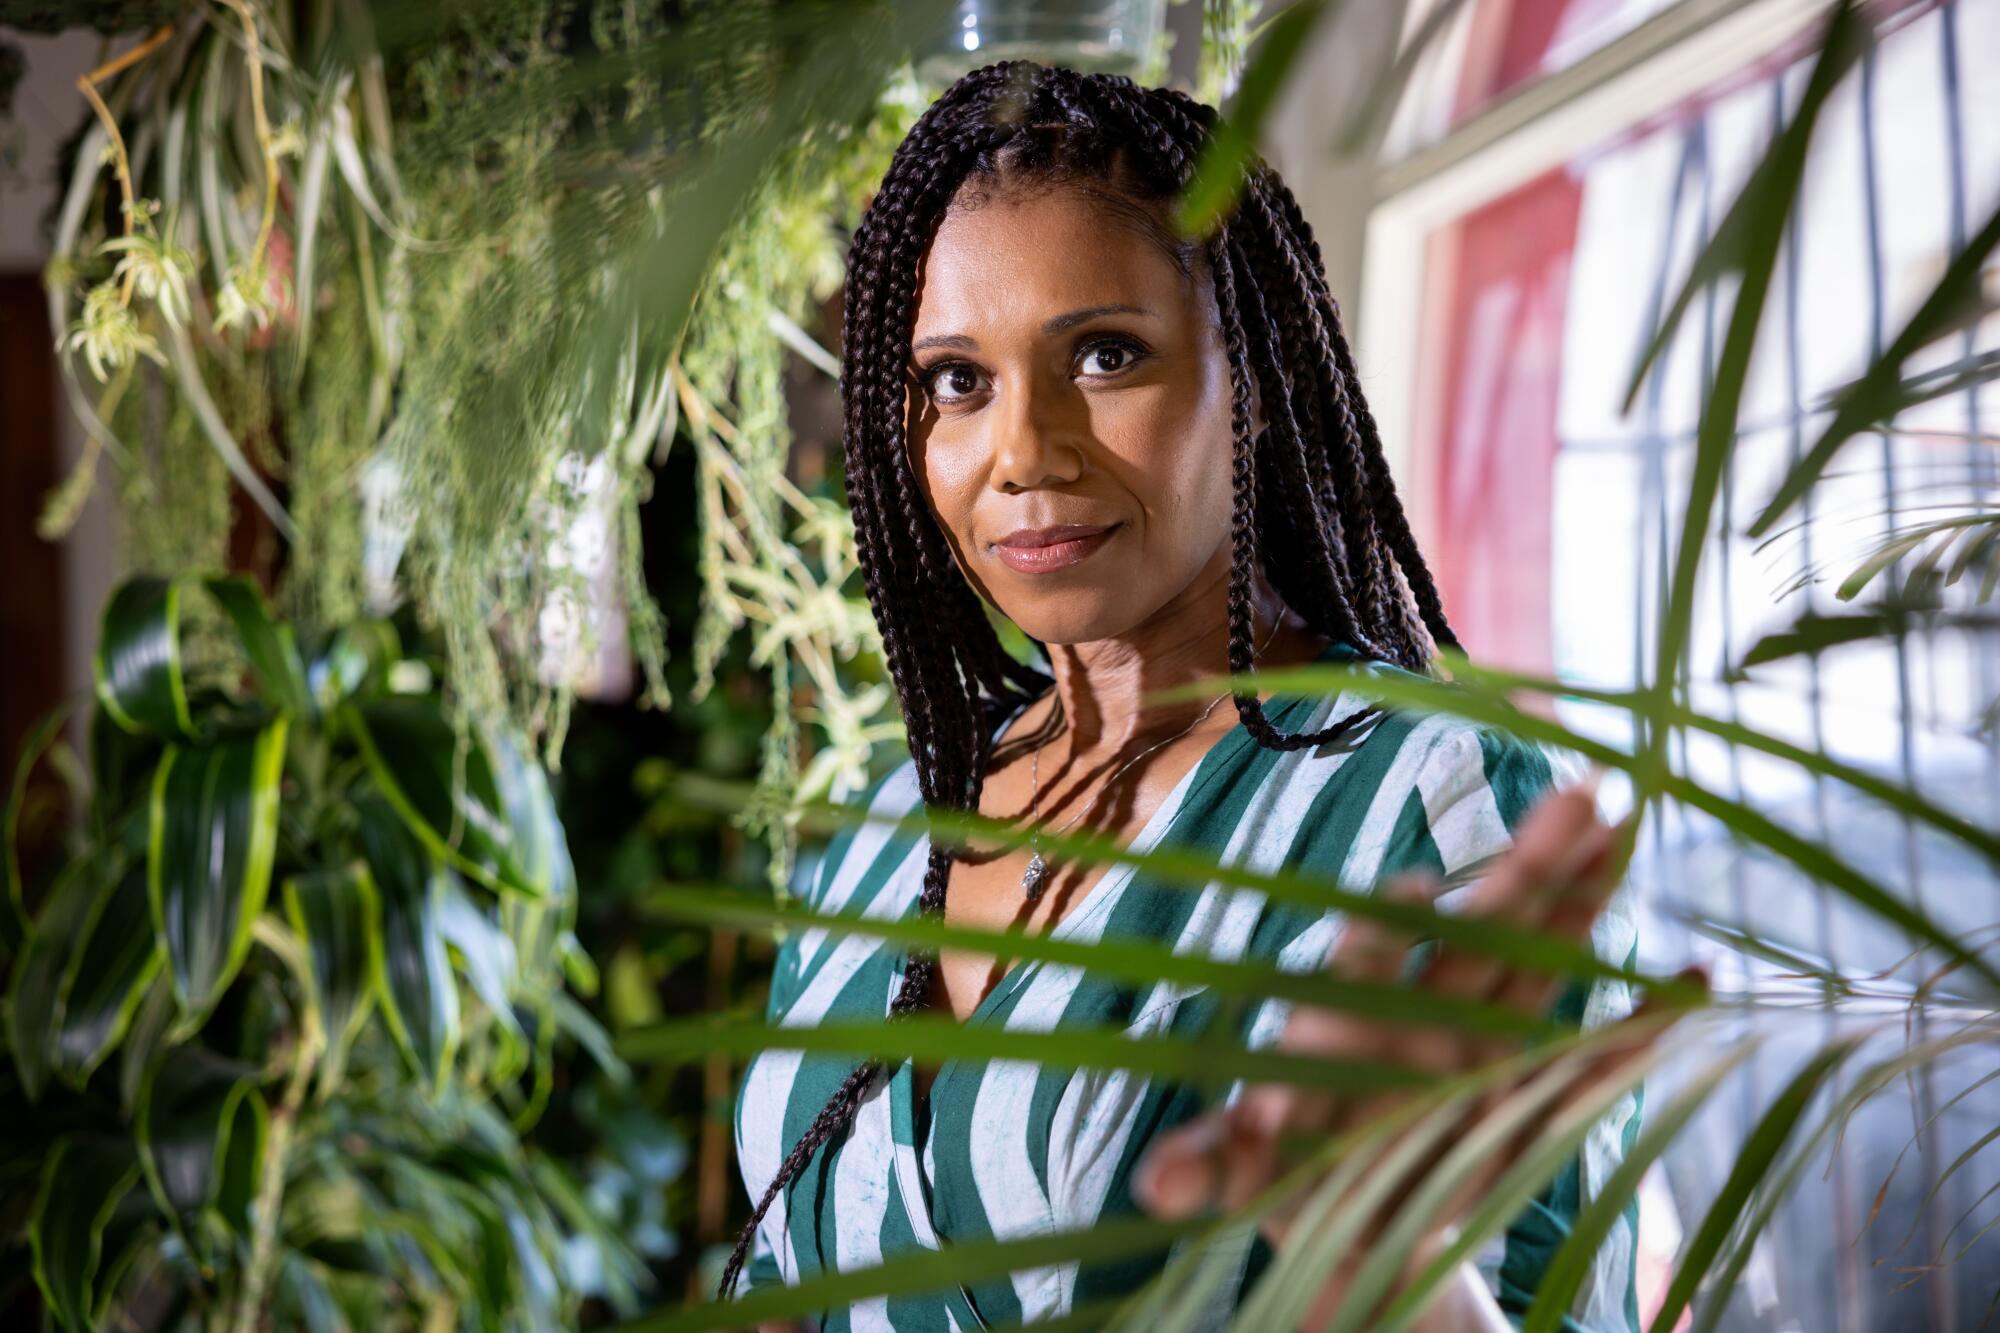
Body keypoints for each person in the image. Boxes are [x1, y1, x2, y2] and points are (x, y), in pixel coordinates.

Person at [726, 60, 1658, 1332]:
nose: (1022, 451)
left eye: (1104, 355)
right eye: (956, 380)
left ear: (1255, 380)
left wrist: (1373, 1253)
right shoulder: (889, 831)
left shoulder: (1428, 803)